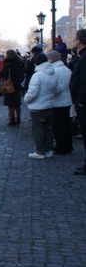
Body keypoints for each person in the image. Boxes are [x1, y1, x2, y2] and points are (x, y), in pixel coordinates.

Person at [24, 52, 57, 159]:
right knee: (48, 129)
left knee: (38, 130)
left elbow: (32, 92)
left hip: (37, 107)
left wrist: (26, 100)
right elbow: (58, 88)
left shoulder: (37, 75)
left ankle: (40, 151)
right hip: (49, 105)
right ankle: (49, 149)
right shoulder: (53, 73)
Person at [47, 50, 73, 155]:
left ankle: (61, 147)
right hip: (67, 100)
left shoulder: (55, 71)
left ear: (52, 59)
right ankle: (68, 146)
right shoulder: (67, 70)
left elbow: (55, 88)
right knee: (66, 126)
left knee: (58, 127)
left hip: (58, 102)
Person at [70, 30, 86, 175]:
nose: (74, 40)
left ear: (80, 40)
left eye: (76, 38)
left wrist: (80, 101)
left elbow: (84, 81)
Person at [0, 49, 24, 126]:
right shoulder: (19, 62)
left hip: (9, 84)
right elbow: (22, 73)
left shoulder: (7, 63)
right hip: (17, 85)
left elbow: (3, 73)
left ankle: (12, 119)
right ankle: (18, 118)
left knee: (10, 104)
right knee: (17, 103)